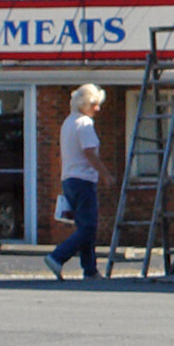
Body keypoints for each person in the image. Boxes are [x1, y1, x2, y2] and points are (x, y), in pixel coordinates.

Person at [46, 84, 108, 282]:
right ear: (84, 104)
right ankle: (58, 256)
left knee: (84, 226)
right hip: (84, 179)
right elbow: (90, 153)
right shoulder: (84, 124)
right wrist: (105, 174)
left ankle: (90, 270)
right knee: (89, 227)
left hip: (69, 178)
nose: (97, 109)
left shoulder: (68, 123)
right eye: (94, 104)